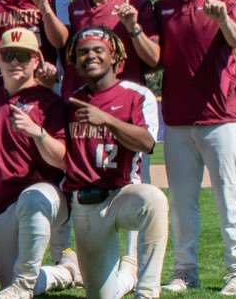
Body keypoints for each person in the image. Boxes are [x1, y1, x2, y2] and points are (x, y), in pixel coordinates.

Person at [155, 0, 236, 296]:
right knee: (182, 203)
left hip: (221, 118)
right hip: (178, 119)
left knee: (230, 198)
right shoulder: (162, 7)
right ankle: (185, 271)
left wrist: (224, 21)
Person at [0, 28, 80, 298]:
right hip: (1, 205)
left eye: (22, 55)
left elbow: (65, 160)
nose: (14, 61)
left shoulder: (49, 102)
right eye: (8, 54)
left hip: (43, 197)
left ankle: (25, 284)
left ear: (36, 60)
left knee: (32, 200)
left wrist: (37, 132)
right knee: (6, 282)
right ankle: (66, 272)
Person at [62, 27, 167, 299]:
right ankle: (127, 277)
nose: (90, 56)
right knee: (102, 296)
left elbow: (147, 143)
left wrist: (107, 120)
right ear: (75, 61)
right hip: (86, 204)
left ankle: (147, 292)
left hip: (122, 195)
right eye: (83, 52)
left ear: (115, 59)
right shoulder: (71, 101)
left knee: (154, 200)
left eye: (99, 50)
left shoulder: (137, 95)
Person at [61, 0, 159, 104]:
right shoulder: (74, 8)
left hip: (124, 100)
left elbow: (153, 59)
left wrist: (133, 27)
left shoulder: (137, 4)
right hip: (82, 100)